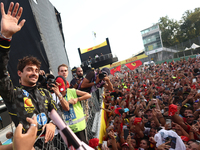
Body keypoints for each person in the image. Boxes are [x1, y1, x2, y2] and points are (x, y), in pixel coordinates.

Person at [0, 2, 60, 147]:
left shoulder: (45, 92)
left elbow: (55, 110)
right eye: (29, 69)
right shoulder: (13, 94)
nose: (34, 73)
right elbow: (1, 74)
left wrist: (52, 123)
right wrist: (5, 39)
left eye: (35, 70)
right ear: (19, 73)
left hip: (54, 145)